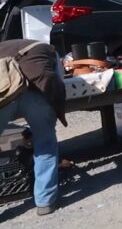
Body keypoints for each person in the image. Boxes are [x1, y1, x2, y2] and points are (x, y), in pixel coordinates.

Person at [0, 40, 67, 215]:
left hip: (4, 96)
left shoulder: (3, 48)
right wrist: (58, 109)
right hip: (37, 94)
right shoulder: (47, 49)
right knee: (45, 143)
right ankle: (45, 201)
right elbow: (58, 81)